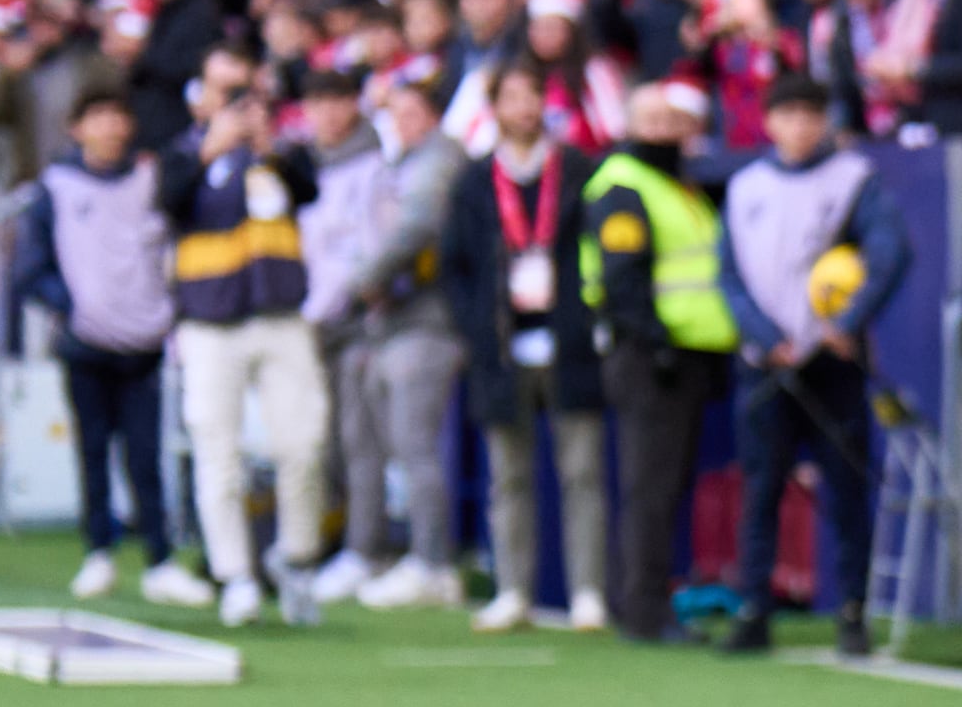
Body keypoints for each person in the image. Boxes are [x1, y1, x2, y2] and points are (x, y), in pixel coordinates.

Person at [718, 64, 907, 658]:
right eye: (788, 114)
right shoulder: (745, 186)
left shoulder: (854, 180)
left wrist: (844, 324)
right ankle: (753, 609)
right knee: (761, 488)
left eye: (810, 114)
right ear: (768, 121)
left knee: (846, 487)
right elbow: (729, 276)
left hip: (832, 361)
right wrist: (763, 335)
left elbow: (890, 252)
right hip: (767, 363)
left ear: (825, 121)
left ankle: (852, 611)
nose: (799, 126)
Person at [168, 61, 336, 631]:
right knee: (219, 449)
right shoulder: (184, 153)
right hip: (212, 320)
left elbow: (310, 189)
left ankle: (294, 558)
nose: (245, 114)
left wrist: (271, 150)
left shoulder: (281, 158)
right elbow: (166, 200)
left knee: (304, 444)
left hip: (280, 315)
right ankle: (234, 574)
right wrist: (210, 152)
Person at [447, 62, 608, 634]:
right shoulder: (472, 182)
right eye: (510, 97)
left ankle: (588, 591)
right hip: (501, 345)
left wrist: (593, 317)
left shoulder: (579, 171)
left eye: (530, 95)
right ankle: (513, 589)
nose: (522, 107)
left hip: (570, 342)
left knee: (582, 471)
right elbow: (457, 268)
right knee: (507, 476)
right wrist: (474, 331)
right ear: (494, 108)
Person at [304, 64, 468, 609]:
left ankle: (432, 564)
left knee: (413, 446)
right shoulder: (399, 162)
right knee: (371, 443)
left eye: (412, 112)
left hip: (426, 320)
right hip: (390, 321)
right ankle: (369, 550)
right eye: (395, 112)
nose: (402, 122)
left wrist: (363, 281)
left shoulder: (437, 161)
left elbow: (414, 229)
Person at [580, 74, 735, 644]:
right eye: (653, 122)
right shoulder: (625, 183)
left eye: (674, 123)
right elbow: (621, 277)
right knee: (651, 486)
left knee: (668, 485)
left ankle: (649, 599)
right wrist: (656, 339)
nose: (665, 133)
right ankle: (644, 609)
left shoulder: (678, 185)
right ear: (629, 127)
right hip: (651, 356)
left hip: (691, 353)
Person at [24, 84, 182, 603]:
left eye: (118, 116)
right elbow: (31, 267)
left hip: (144, 340)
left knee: (146, 454)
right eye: (98, 117)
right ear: (77, 128)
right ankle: (99, 552)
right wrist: (72, 307)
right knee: (93, 451)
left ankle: (160, 559)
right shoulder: (56, 187)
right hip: (85, 344)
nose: (110, 127)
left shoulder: (152, 180)